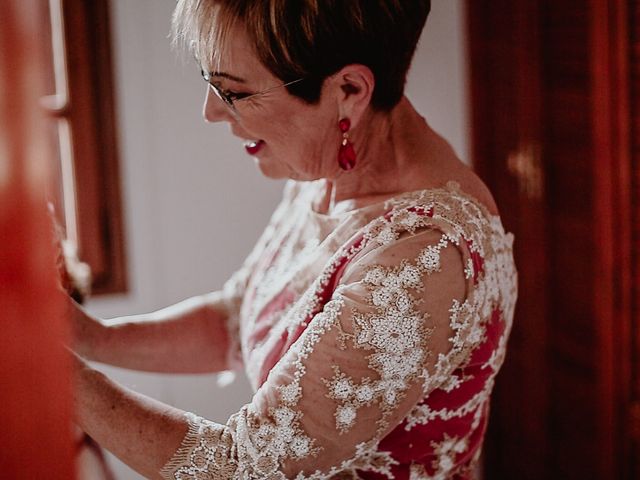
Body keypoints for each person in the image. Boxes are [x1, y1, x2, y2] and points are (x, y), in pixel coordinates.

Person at [68, 1, 518, 479]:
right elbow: (237, 319)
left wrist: (59, 378)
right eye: (209, 80)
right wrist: (90, 336)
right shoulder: (327, 169)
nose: (211, 112)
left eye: (234, 92)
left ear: (349, 89)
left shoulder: (423, 255)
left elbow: (243, 468)